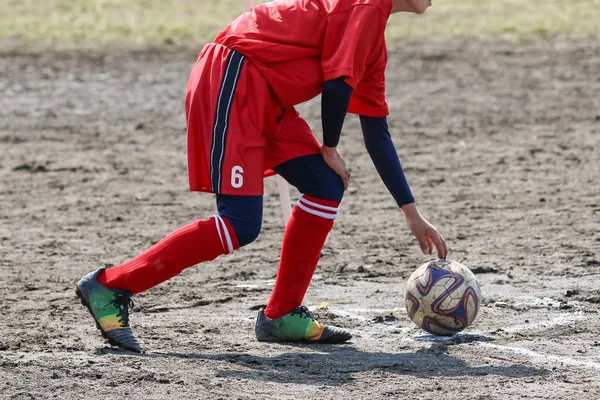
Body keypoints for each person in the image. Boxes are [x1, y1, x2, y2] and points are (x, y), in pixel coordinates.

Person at [75, 0, 447, 353]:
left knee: (324, 185)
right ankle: (111, 286)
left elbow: (376, 132)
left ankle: (282, 314)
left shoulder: (373, 41)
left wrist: (411, 213)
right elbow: (335, 87)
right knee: (240, 224)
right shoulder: (367, 4)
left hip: (265, 93)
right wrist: (329, 147)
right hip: (235, 78)